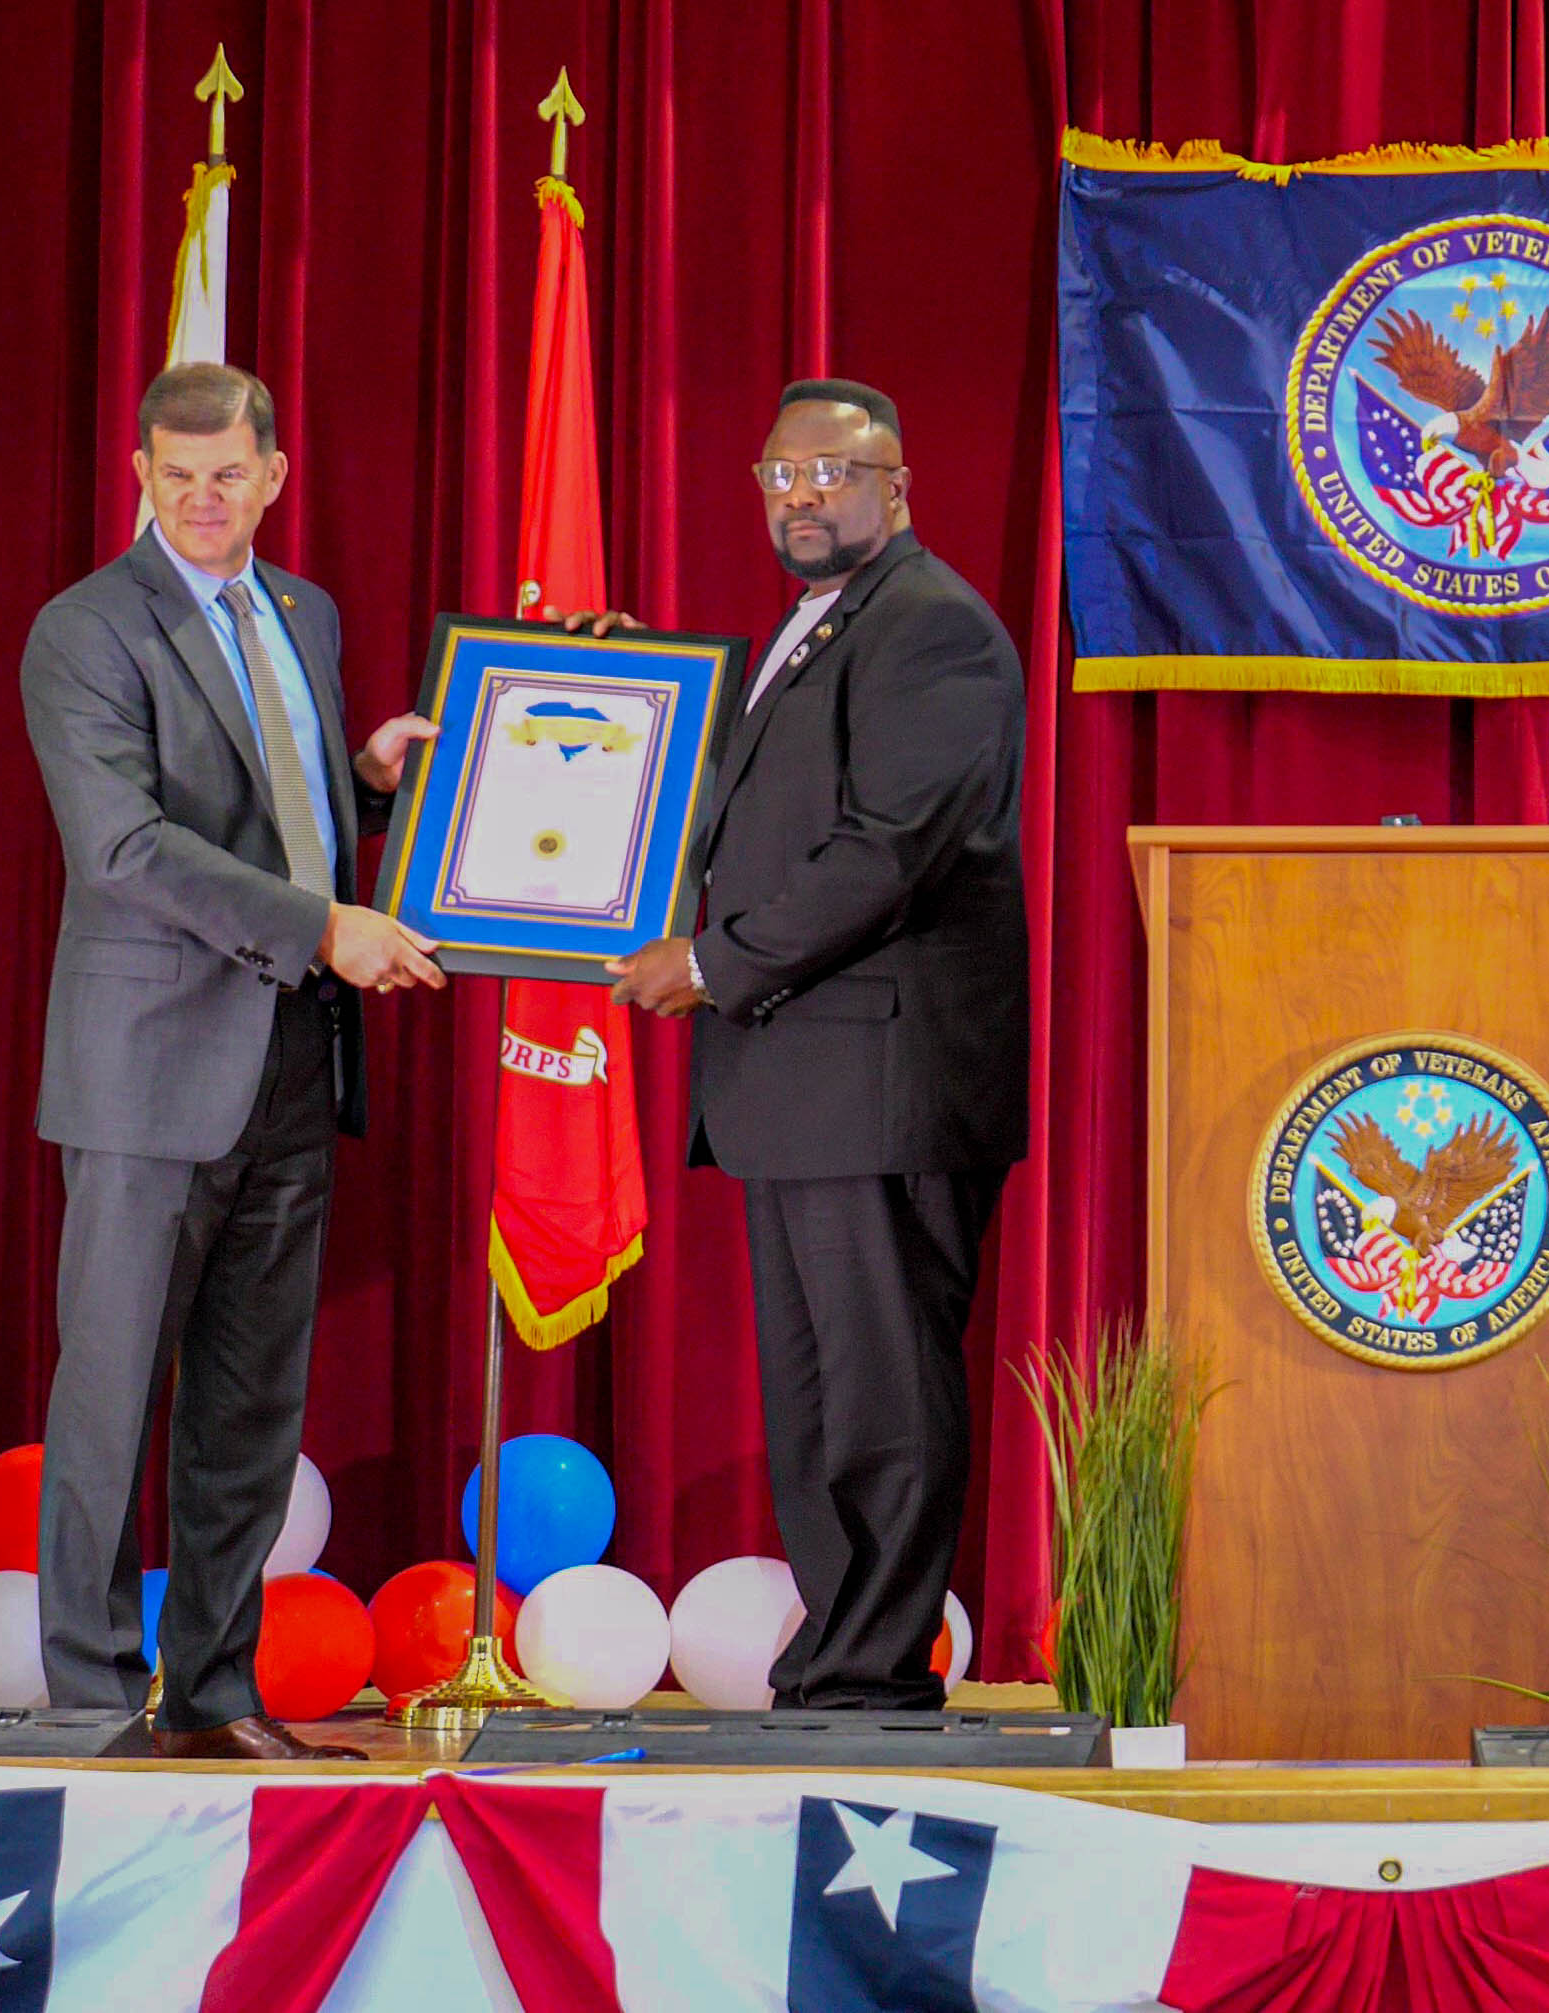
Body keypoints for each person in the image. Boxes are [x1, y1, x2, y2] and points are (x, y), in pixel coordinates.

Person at [20, 362, 442, 1761]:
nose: (202, 499)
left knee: (251, 1400)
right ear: (139, 473)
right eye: (175, 473)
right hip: (149, 1071)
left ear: (273, 474)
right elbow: (129, 850)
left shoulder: (303, 612)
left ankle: (213, 1691)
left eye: (227, 474)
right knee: (112, 1386)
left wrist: (369, 782)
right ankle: (90, 1697)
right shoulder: (86, 628)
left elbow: (278, 810)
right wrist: (328, 923)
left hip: (295, 1057)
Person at [602, 378, 1028, 1709]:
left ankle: (874, 1672)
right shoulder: (809, 631)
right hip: (799, 1086)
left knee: (882, 1392)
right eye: (782, 474)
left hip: (883, 1086)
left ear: (896, 488)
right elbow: (747, 810)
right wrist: (621, 694)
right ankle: (838, 1660)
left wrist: (716, 961)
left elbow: (883, 853)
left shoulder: (933, 630)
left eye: (833, 475)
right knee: (819, 1404)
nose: (802, 496)